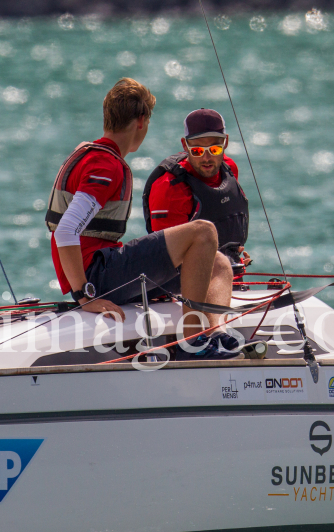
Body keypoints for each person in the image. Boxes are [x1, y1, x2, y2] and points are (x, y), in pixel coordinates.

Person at [45, 78, 237, 359]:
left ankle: (215, 331)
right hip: (98, 276)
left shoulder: (89, 151)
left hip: (102, 269)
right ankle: (192, 341)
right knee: (203, 232)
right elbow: (66, 231)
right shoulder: (106, 165)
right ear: (142, 121)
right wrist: (84, 297)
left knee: (217, 261)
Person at [141, 108, 251, 271]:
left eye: (214, 150)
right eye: (197, 151)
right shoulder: (170, 188)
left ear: (225, 142)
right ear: (185, 145)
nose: (207, 158)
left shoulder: (229, 169)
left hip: (231, 280)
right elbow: (166, 261)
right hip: (189, 290)